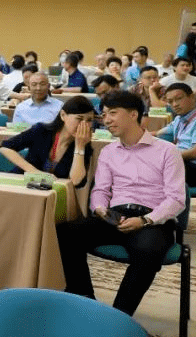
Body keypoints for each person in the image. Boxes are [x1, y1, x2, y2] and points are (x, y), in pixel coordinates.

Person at [56, 90, 185, 317]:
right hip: (115, 216)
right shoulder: (108, 152)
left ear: (133, 114)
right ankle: (84, 298)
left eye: (113, 113)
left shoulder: (167, 151)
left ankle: (118, 317)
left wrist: (145, 220)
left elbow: (176, 199)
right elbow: (101, 191)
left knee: (147, 251)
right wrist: (100, 209)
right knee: (66, 232)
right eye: (104, 114)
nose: (106, 120)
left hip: (152, 219)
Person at [0, 97, 95, 187]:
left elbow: (75, 181)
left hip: (53, 193)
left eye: (89, 120)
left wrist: (80, 147)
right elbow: (5, 147)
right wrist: (33, 171)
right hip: (23, 184)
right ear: (63, 115)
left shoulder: (84, 144)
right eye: (79, 119)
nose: (84, 125)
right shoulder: (42, 130)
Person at [156, 83, 196, 187]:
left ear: (192, 96)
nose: (174, 104)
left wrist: (168, 156)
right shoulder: (179, 118)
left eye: (178, 99)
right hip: (182, 162)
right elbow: (158, 132)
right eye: (170, 102)